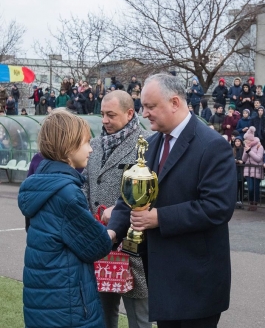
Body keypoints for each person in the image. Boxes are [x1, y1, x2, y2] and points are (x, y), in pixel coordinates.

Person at [107, 73, 237, 328]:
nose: (144, 114)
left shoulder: (212, 146)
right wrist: (111, 233)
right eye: (143, 106)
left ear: (175, 103)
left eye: (150, 106)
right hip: (163, 280)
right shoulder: (151, 143)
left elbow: (217, 207)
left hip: (198, 285)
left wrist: (158, 218)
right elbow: (130, 197)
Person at [18, 109, 113, 328]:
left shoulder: (43, 182)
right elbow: (96, 245)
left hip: (46, 299)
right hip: (66, 305)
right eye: (86, 142)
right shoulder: (65, 193)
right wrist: (113, 226)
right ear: (69, 146)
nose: (90, 149)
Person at [83, 90, 152, 328]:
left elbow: (156, 192)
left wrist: (120, 209)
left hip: (134, 246)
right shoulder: (93, 145)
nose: (104, 120)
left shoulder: (147, 144)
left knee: (139, 318)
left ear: (129, 113)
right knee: (103, 315)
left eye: (110, 115)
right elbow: (85, 186)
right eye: (102, 114)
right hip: (100, 242)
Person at [242, 126, 264, 211]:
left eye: (247, 140)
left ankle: (255, 203)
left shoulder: (259, 146)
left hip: (256, 170)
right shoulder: (246, 146)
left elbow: (258, 158)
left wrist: (249, 152)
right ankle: (251, 202)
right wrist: (246, 151)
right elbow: (244, 159)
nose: (246, 141)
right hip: (248, 170)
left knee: (255, 188)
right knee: (250, 188)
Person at [233, 136, 245, 209]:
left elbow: (244, 159)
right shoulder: (232, 150)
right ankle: (236, 202)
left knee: (242, 187)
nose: (237, 142)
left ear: (241, 142)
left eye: (238, 141)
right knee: (236, 187)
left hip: (241, 170)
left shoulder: (243, 149)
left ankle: (241, 202)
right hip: (235, 170)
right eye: (236, 141)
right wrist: (237, 161)